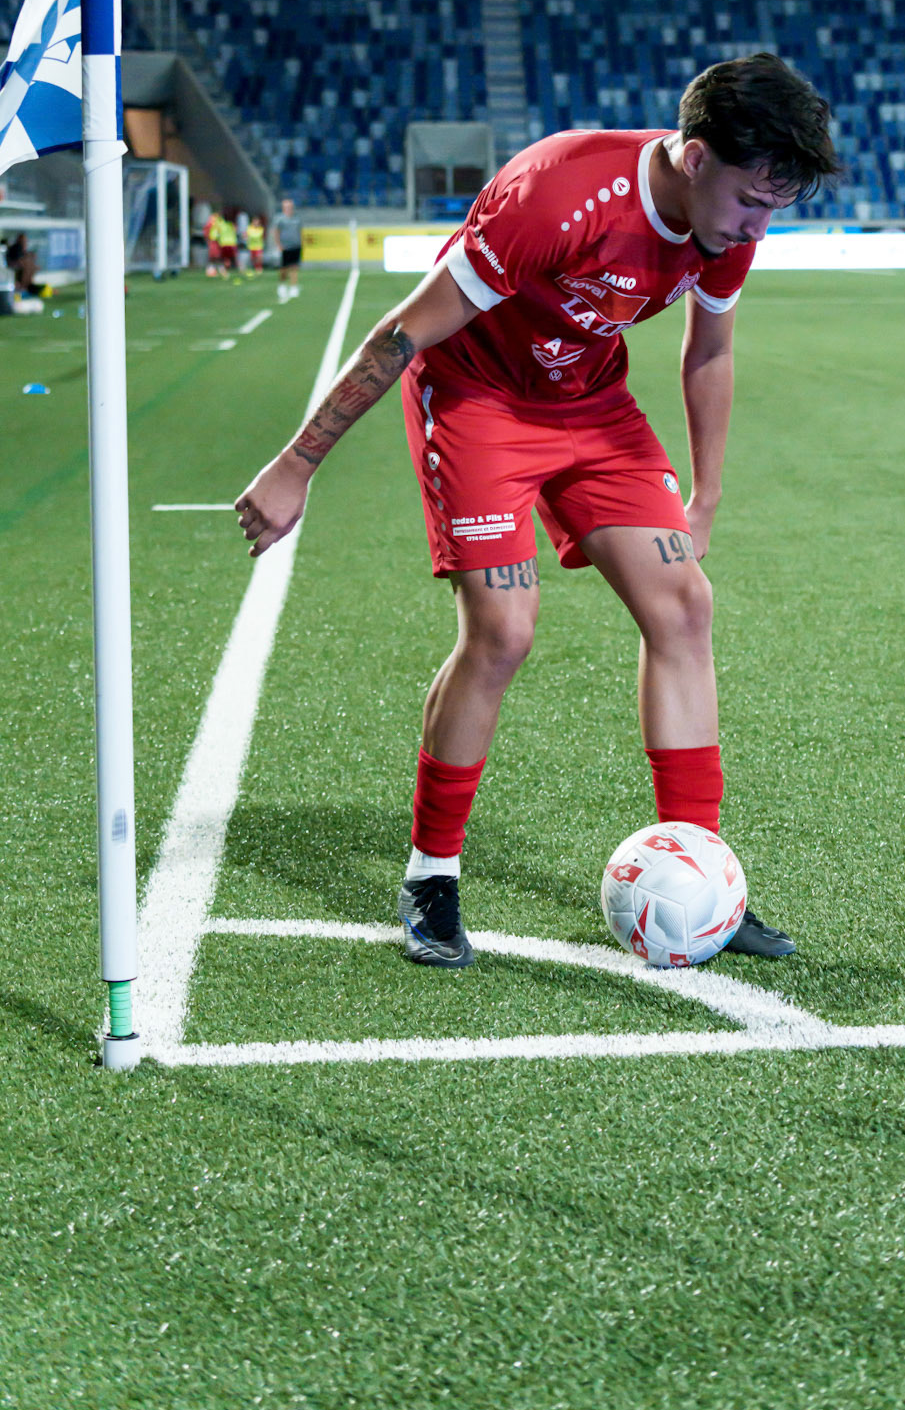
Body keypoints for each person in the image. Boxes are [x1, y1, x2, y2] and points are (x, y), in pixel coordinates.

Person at [236, 54, 840, 968]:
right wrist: (296, 464)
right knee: (503, 629)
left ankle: (703, 872)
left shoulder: (729, 226)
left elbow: (707, 351)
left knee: (684, 605)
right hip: (477, 398)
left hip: (591, 406)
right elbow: (404, 332)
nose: (759, 224)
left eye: (774, 207)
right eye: (752, 200)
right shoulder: (558, 195)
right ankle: (431, 878)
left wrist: (704, 493)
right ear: (693, 156)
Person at [274, 198, 302, 301]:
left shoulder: (297, 218)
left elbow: (300, 232)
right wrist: (278, 244)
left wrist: (301, 243)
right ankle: (282, 285)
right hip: (285, 246)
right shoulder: (280, 219)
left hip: (296, 246)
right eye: (287, 207)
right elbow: (276, 232)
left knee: (294, 267)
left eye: (290, 206)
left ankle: (293, 287)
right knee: (284, 269)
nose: (289, 208)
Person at [217, 208, 239, 276]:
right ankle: (225, 270)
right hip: (231, 243)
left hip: (224, 243)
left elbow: (218, 232)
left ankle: (224, 270)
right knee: (233, 258)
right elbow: (236, 230)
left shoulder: (221, 224)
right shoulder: (231, 224)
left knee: (226, 259)